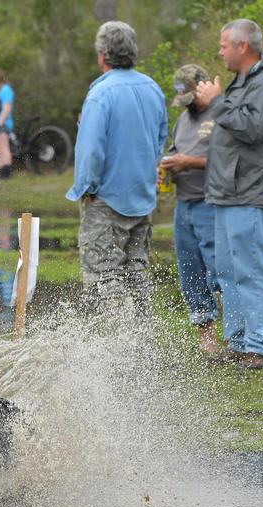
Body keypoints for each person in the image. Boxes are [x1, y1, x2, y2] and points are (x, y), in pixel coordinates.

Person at [195, 18, 263, 370]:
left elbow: (252, 128)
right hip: (228, 193)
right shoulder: (242, 82)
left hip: (253, 193)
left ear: (242, 47)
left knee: (252, 270)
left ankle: (260, 346)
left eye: (223, 46)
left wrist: (217, 102)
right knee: (228, 273)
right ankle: (237, 343)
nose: (219, 51)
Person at [65, 21, 167, 322]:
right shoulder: (152, 89)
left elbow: (91, 148)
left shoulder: (101, 94)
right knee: (137, 271)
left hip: (106, 198)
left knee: (104, 276)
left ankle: (115, 349)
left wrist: (86, 188)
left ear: (102, 54)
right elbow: (160, 139)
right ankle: (143, 341)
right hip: (142, 196)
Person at [161, 64, 220, 354]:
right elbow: (176, 150)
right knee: (190, 273)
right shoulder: (183, 120)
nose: (189, 106)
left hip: (211, 203)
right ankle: (206, 338)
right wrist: (168, 164)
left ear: (203, 86)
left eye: (192, 99)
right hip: (183, 205)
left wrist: (190, 162)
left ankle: (239, 336)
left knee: (218, 271)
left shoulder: (222, 114)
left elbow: (228, 159)